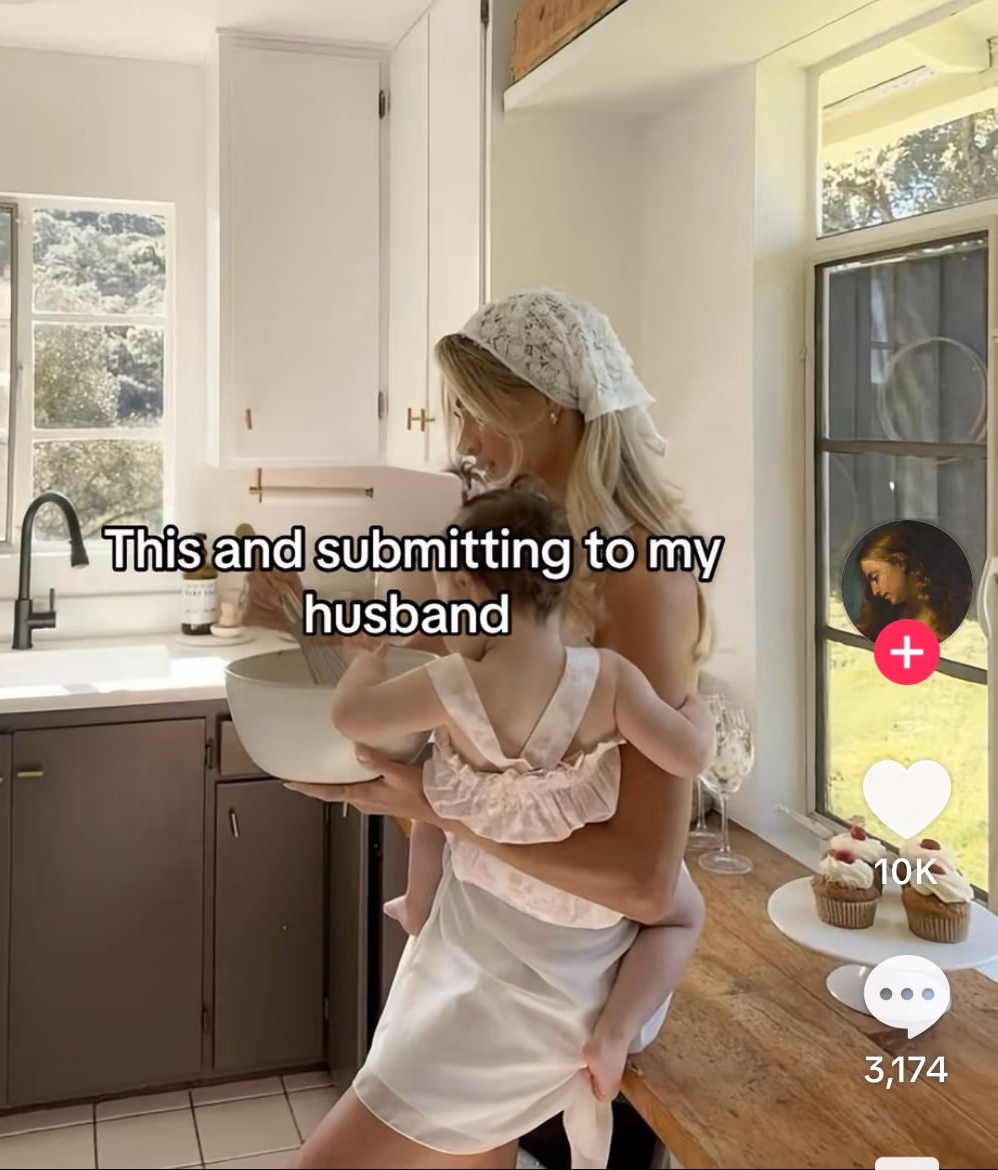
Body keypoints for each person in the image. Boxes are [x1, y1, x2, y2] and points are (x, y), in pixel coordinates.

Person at [238, 289, 713, 1168]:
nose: (461, 438)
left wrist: (440, 808)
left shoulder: (645, 571)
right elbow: (437, 654)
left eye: (474, 410)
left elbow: (649, 886)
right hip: (475, 930)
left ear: (550, 405)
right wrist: (309, 612)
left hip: (546, 974)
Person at [326, 484, 711, 1168]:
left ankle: (418, 904)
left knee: (443, 793)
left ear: (473, 593)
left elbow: (351, 719)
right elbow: (686, 755)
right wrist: (697, 712)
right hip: (587, 906)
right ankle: (615, 1031)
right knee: (682, 916)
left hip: (496, 881)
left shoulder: (453, 685)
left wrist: (366, 661)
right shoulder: (610, 678)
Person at [854, 520, 972, 642]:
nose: (875, 591)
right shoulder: (882, 625)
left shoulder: (953, 618)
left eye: (875, 577)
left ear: (901, 563)